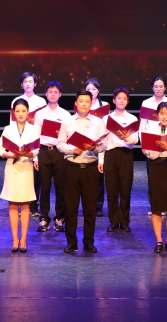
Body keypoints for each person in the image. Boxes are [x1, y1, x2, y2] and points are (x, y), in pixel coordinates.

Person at [57, 90, 106, 253]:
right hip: (72, 167)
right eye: (81, 101)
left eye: (87, 101)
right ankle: (71, 242)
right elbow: (60, 144)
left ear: (91, 103)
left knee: (90, 208)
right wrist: (72, 150)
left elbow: (104, 145)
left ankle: (89, 241)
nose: (84, 104)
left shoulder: (98, 122)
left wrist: (95, 148)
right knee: (70, 207)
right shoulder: (67, 121)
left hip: (90, 168)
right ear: (76, 103)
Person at [0, 99, 40, 252]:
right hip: (12, 167)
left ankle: (24, 240)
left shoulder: (34, 129)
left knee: (26, 204)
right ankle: (15, 239)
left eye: (23, 111)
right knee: (13, 204)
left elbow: (36, 149)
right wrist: (8, 154)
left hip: (26, 168)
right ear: (13, 113)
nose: (21, 114)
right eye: (17, 111)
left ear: (28, 112)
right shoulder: (8, 129)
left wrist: (28, 153)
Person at [142, 102, 167, 252]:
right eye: (162, 113)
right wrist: (157, 148)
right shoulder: (150, 130)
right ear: (157, 115)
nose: (164, 116)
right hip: (156, 167)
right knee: (156, 206)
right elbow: (149, 154)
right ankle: (158, 241)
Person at [33, 81, 70, 233]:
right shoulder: (40, 114)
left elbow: (69, 136)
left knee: (61, 187)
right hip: (43, 151)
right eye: (50, 92)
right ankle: (44, 217)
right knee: (44, 186)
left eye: (55, 92)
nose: (53, 94)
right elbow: (35, 135)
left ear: (60, 94)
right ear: (46, 94)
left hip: (59, 152)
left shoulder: (65, 115)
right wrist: (35, 157)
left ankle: (60, 218)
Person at [102, 87, 139, 232]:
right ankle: (113, 220)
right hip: (110, 154)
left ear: (128, 101)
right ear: (114, 100)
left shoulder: (132, 119)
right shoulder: (106, 119)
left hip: (126, 154)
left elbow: (135, 140)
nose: (121, 101)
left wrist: (126, 137)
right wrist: (101, 160)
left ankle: (124, 221)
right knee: (111, 189)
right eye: (119, 98)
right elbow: (102, 141)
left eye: (124, 99)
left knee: (125, 188)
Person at [11, 72, 46, 216]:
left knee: (36, 175)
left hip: (36, 138)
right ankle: (20, 203)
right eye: (25, 81)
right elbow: (12, 121)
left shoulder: (41, 101)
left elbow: (44, 123)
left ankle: (33, 205)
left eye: (31, 81)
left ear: (35, 84)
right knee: (20, 173)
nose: (28, 84)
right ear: (21, 84)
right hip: (20, 137)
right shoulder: (16, 100)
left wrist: (34, 122)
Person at [84, 78, 108, 217]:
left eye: (94, 89)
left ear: (98, 91)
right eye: (88, 89)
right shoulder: (82, 104)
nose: (91, 92)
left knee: (99, 177)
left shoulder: (103, 106)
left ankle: (98, 206)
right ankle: (86, 205)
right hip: (84, 143)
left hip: (99, 143)